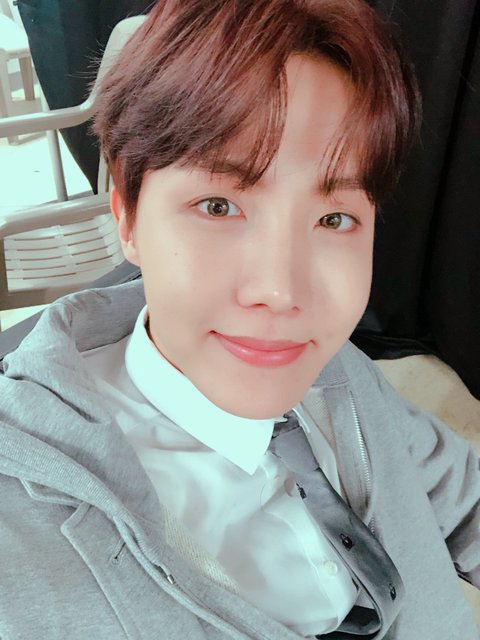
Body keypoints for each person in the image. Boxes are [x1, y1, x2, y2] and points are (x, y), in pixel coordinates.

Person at [0, 1, 478, 638]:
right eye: (218, 206)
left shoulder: (345, 376)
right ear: (128, 218)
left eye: (333, 218)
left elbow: (460, 495)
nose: (281, 292)